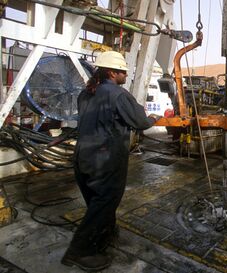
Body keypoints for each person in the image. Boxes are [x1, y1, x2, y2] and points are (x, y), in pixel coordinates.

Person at [61, 51, 162, 271]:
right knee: (104, 203)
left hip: (83, 157)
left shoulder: (86, 93)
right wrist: (156, 117)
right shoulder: (118, 94)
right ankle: (79, 252)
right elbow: (141, 122)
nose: (126, 74)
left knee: (96, 202)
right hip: (105, 160)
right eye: (122, 71)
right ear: (111, 72)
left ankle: (105, 234)